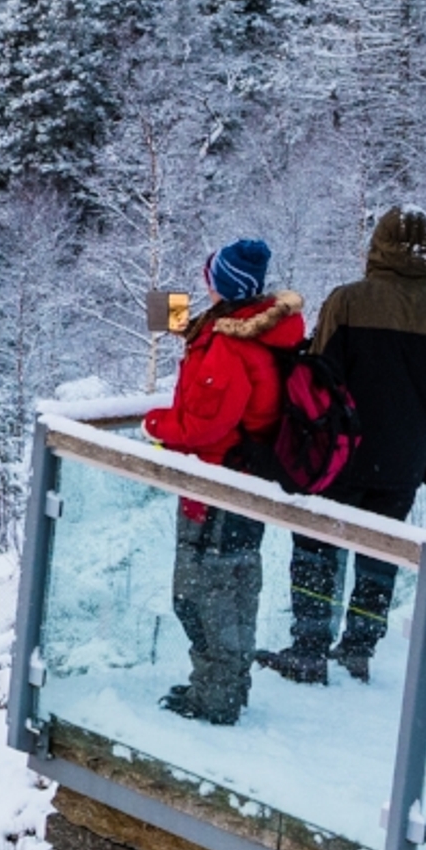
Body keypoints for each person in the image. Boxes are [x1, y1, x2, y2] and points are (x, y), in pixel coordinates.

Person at [260, 208, 426, 686]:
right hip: (404, 461)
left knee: (316, 546)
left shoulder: (348, 301)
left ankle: (309, 646)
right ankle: (358, 649)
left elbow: (316, 378)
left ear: (377, 244)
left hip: (340, 453)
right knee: (380, 554)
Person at [145, 237, 302, 724]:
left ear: (224, 286)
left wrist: (156, 423)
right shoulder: (258, 332)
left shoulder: (229, 347)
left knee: (199, 594)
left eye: (209, 276)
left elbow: (203, 425)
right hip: (244, 482)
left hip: (216, 487)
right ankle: (226, 688)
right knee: (234, 587)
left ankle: (213, 699)